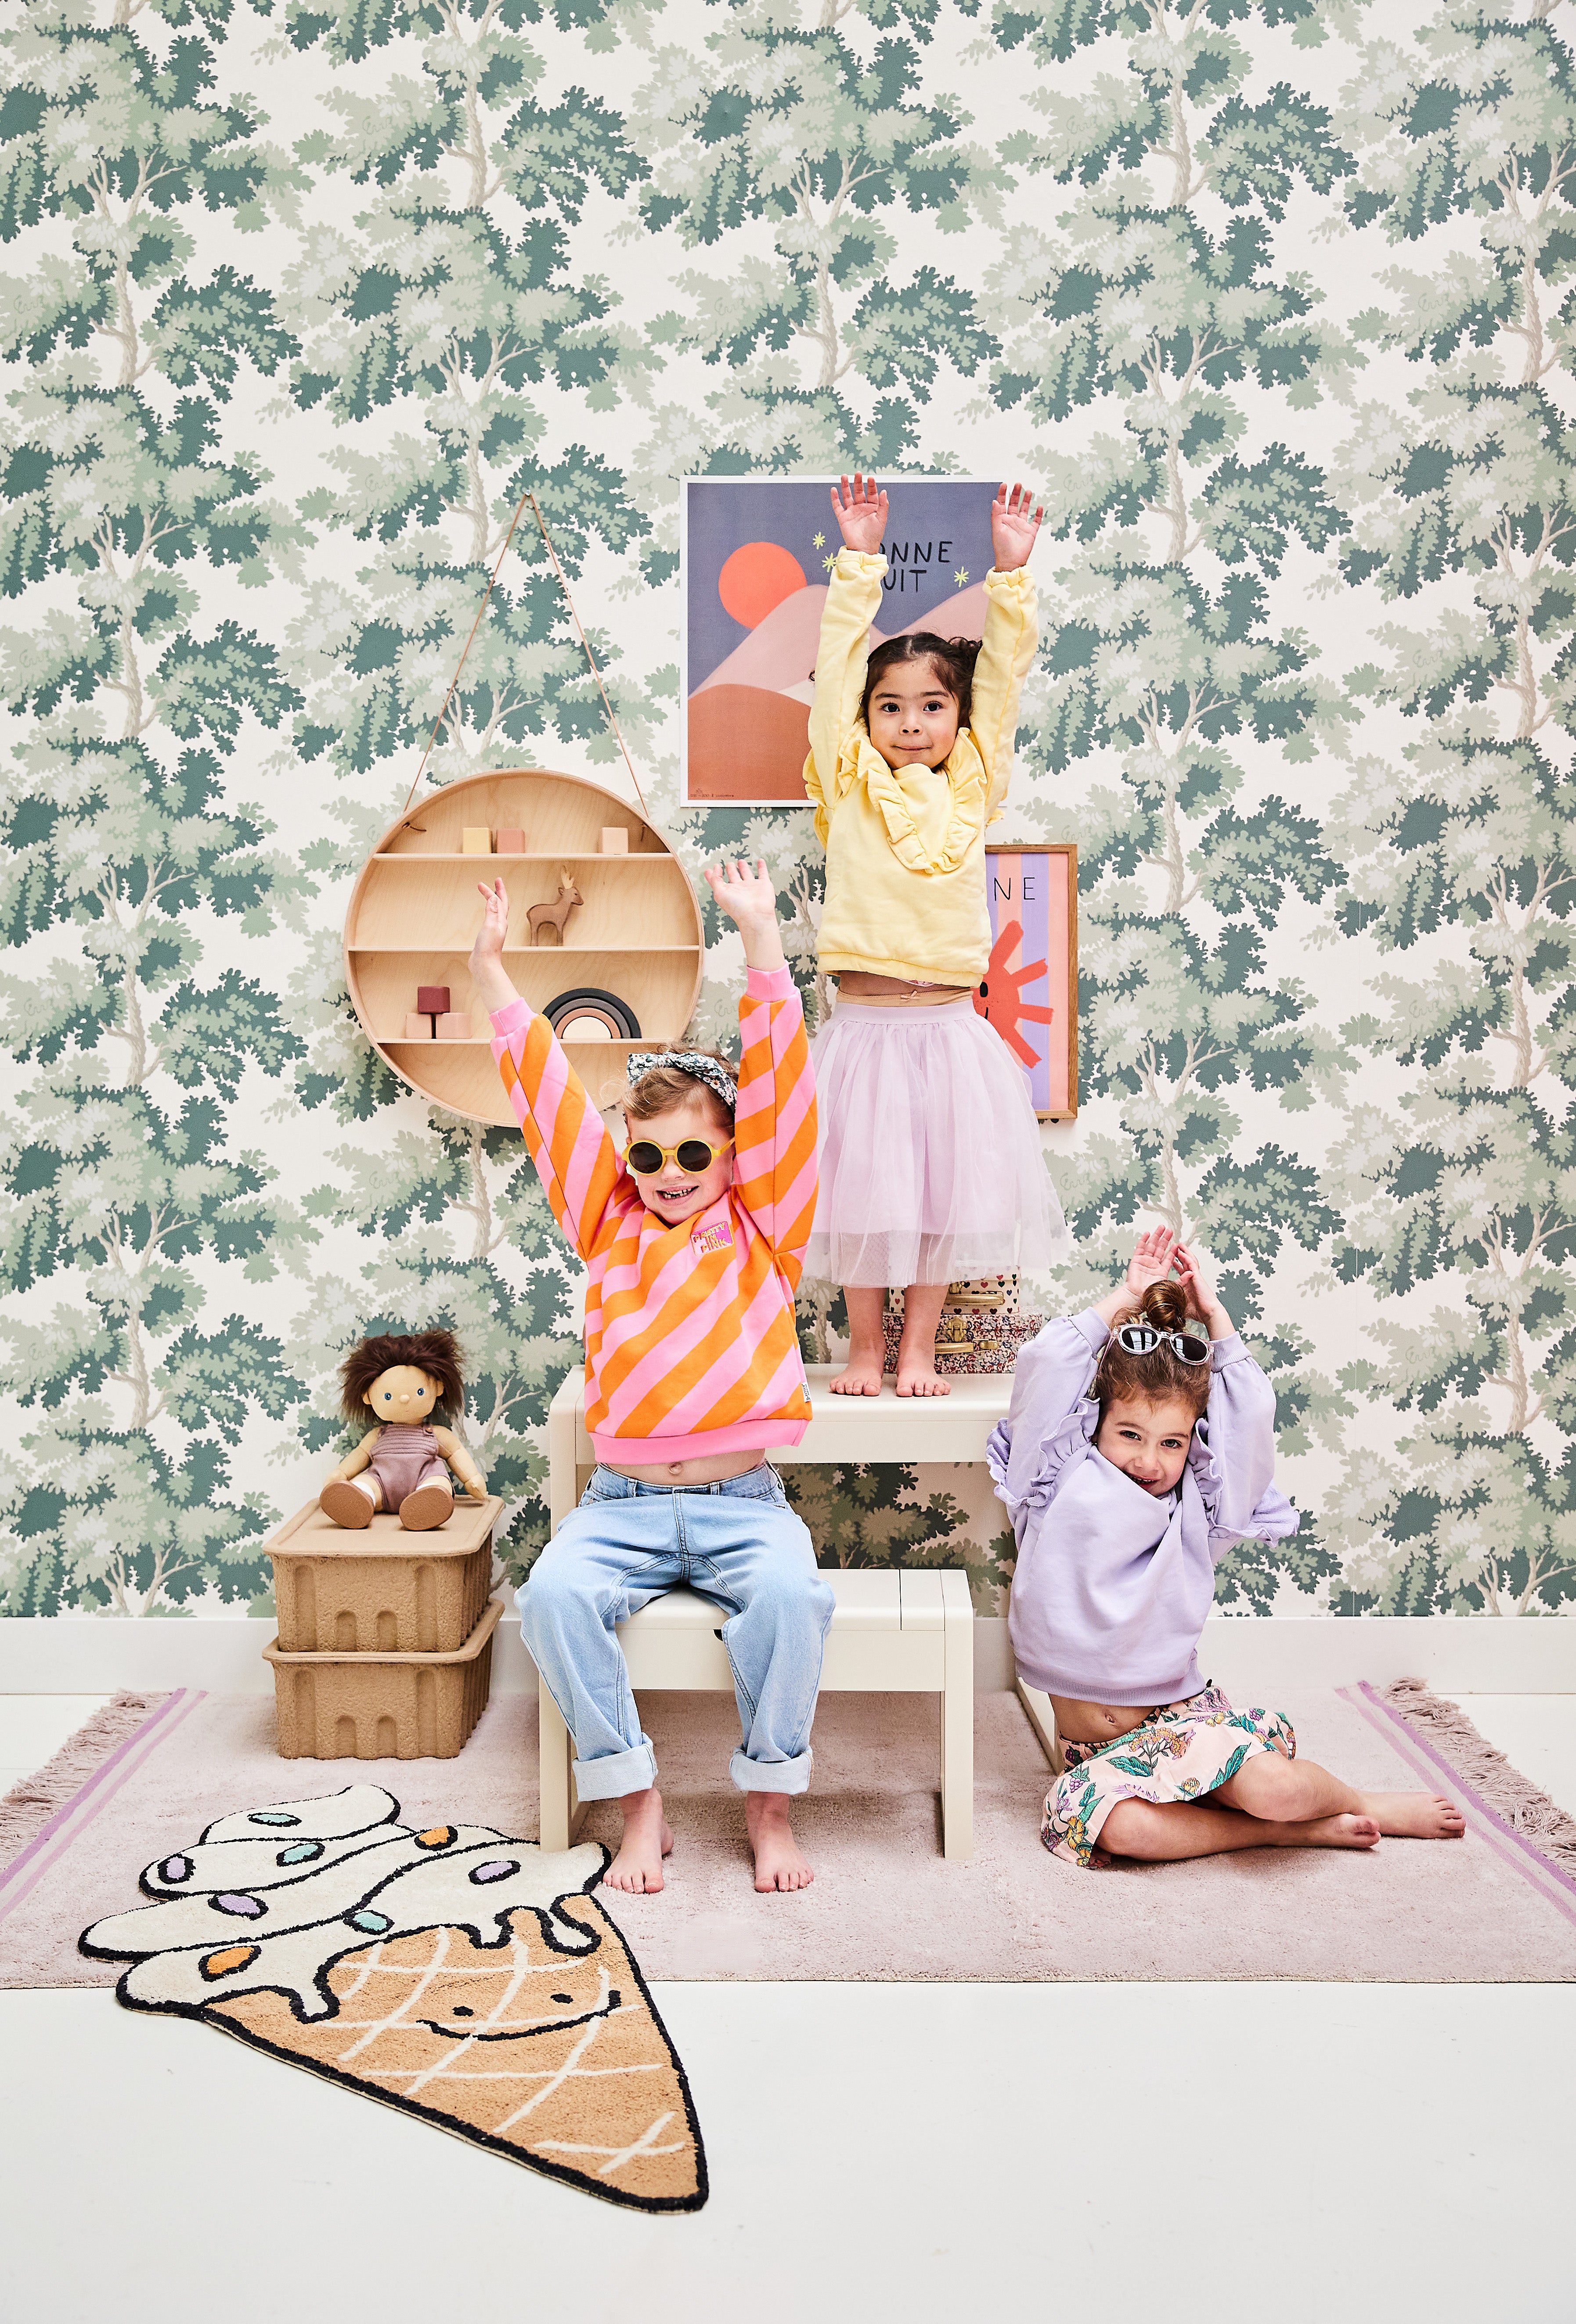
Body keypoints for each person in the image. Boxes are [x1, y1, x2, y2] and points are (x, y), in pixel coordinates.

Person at [468, 858, 833, 1896]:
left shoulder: (766, 1226)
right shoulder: (606, 1222)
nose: (669, 1176)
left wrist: (761, 943)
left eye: (692, 1156)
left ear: (732, 1157)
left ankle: (769, 1806)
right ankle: (639, 1804)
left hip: (741, 1504)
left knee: (792, 1600)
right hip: (620, 1506)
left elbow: (784, 1098)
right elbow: (549, 1102)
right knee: (550, 1599)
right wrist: (491, 973)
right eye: (649, 1157)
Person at [989, 1226, 1467, 1867]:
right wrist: (1125, 1298)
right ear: (1096, 1422)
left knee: (1279, 1790)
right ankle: (1281, 1834)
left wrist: (1215, 1318)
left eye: (1172, 1443)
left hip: (1187, 1725)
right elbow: (1045, 1367)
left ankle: (1358, 1800)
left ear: (1193, 1442)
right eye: (1129, 1434)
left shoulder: (1201, 1510)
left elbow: (1249, 1421)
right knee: (1125, 1833)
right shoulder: (1050, 1479)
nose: (1148, 1460)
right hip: (1096, 1757)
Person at [804, 472, 1070, 1399]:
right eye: (891, 707)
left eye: (931, 707)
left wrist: (1010, 575)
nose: (911, 723)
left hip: (950, 1032)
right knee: (863, 1201)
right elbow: (836, 669)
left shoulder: (973, 781)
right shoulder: (846, 776)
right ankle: (864, 1352)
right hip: (865, 1032)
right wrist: (859, 562)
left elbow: (1002, 680)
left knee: (933, 1206)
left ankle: (916, 1351)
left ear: (957, 720)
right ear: (864, 719)